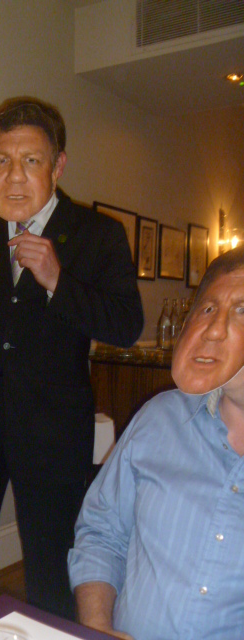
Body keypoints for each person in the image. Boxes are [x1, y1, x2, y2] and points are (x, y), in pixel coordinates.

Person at [0, 97, 143, 619]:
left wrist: (58, 280)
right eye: (1, 160)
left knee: (52, 565)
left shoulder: (99, 234)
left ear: (57, 166)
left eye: (31, 160)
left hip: (54, 429)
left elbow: (126, 325)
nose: (14, 175)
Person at [68, 244, 244, 639]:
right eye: (208, 309)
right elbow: (101, 532)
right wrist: (96, 627)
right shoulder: (158, 419)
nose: (215, 329)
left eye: (243, 310)